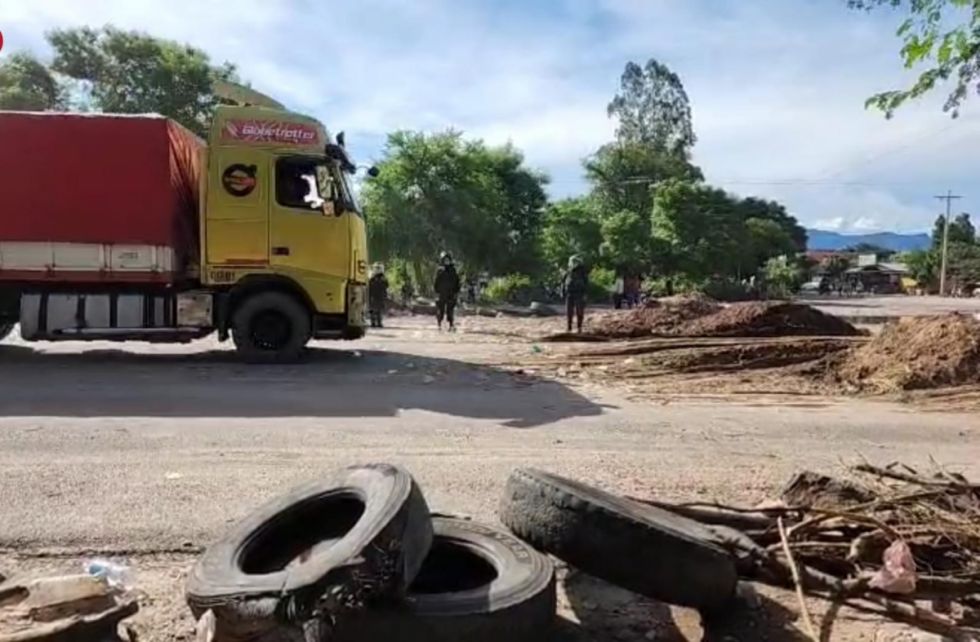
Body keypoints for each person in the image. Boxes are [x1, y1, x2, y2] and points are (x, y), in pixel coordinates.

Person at [434, 251, 461, 331]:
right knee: (440, 310)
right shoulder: (440, 271)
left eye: (448, 260)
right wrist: (436, 292)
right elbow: (436, 282)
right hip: (442, 293)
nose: (447, 262)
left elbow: (457, 282)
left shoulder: (453, 270)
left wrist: (456, 291)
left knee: (450, 310)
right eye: (445, 260)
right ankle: (439, 324)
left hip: (451, 293)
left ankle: (451, 325)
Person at [563, 255, 589, 333]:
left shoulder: (582, 271)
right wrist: (563, 292)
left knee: (579, 311)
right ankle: (569, 327)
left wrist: (585, 294)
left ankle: (579, 327)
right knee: (569, 311)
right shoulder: (568, 271)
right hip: (569, 293)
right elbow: (563, 282)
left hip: (579, 293)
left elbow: (586, 283)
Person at [368, 263, 389, 328]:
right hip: (375, 296)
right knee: (374, 310)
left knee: (377, 310)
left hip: (377, 296)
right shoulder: (372, 278)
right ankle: (375, 323)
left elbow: (386, 285)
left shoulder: (380, 278)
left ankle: (377, 323)